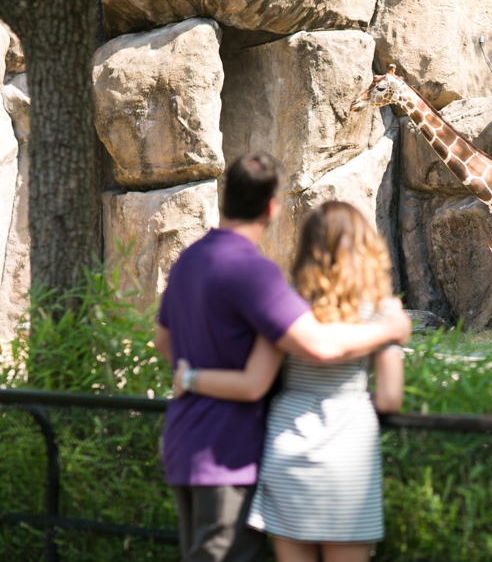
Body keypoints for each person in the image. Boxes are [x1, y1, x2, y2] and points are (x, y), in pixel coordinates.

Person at [154, 153, 411, 562]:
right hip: (231, 454)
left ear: (225, 198)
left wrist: (189, 377)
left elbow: (163, 342)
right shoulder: (256, 274)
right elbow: (320, 347)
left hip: (189, 443)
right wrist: (391, 329)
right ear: (272, 207)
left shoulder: (189, 259)